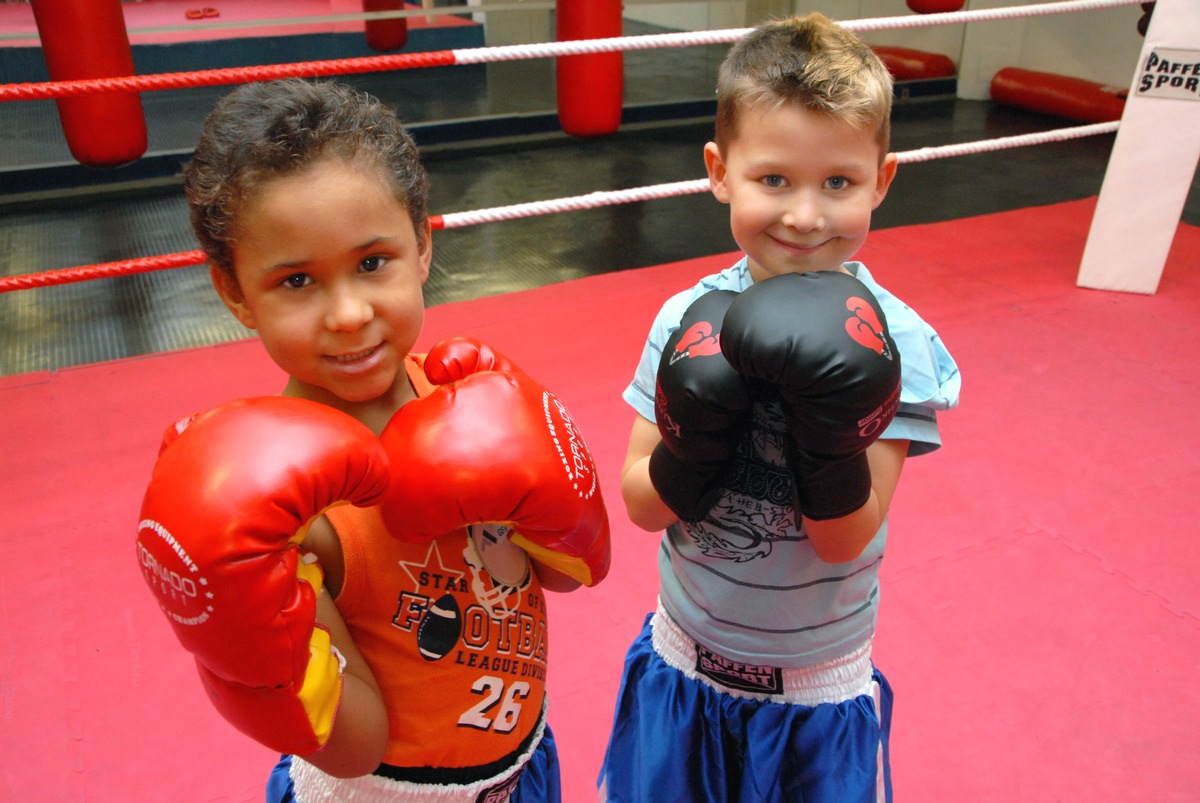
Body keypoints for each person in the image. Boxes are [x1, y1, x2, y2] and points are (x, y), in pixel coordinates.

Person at [133, 78, 611, 802]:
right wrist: (253, 657)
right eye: (297, 280)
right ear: (235, 294)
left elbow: (565, 575)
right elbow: (354, 748)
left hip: (522, 762)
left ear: (422, 245)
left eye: (371, 262)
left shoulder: (468, 396)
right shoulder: (292, 518)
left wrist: (552, 480)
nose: (350, 314)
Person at [597, 14, 961, 802]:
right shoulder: (683, 318)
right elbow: (639, 505)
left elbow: (847, 539)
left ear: (883, 180)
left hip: (813, 685)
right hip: (684, 658)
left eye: (838, 182)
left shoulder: (896, 342)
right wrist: (693, 444)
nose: (804, 215)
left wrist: (826, 431)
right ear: (719, 171)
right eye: (774, 180)